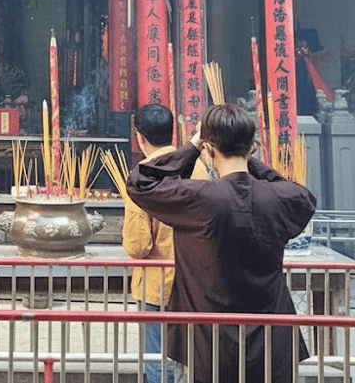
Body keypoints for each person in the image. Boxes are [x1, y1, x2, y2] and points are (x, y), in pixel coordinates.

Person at [126, 104, 316, 383]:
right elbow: (303, 196)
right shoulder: (277, 199)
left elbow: (141, 180)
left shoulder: (200, 199)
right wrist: (250, 161)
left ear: (209, 149)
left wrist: (192, 146)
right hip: (271, 342)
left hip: (208, 343)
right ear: (251, 148)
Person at [122, 103, 177, 383]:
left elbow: (138, 246)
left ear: (139, 137)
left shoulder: (142, 175)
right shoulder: (201, 169)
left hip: (157, 285)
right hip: (197, 281)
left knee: (159, 360)